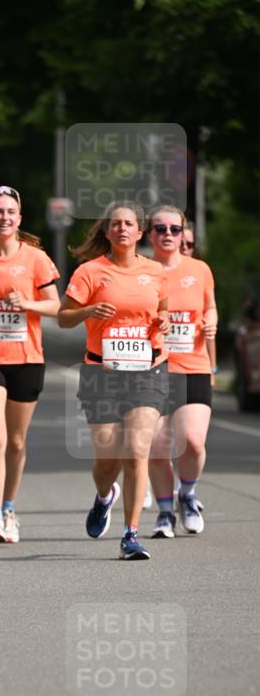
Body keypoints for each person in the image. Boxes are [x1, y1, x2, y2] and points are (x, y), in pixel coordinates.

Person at [58, 201, 170, 560]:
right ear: (106, 231)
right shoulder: (90, 272)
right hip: (100, 373)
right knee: (108, 459)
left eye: (129, 224)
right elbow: (62, 318)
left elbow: (163, 308)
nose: (122, 228)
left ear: (140, 232)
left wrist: (164, 322)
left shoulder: (155, 271)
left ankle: (130, 534)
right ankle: (105, 495)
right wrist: (88, 311)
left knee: (137, 452)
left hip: (147, 372)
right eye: (115, 224)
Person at [0, 185, 60, 543]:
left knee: (17, 442)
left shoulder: (36, 258)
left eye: (10, 211)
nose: (4, 217)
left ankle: (9, 508)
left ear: (19, 218)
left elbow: (57, 307)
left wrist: (27, 304)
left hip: (27, 358)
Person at [146, 206, 217, 537]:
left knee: (193, 442)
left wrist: (212, 319)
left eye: (174, 228)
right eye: (160, 228)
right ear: (150, 234)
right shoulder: (141, 271)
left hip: (193, 367)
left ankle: (187, 494)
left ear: (183, 232)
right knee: (157, 446)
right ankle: (164, 512)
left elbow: (210, 306)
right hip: (152, 370)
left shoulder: (199, 269)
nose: (168, 234)